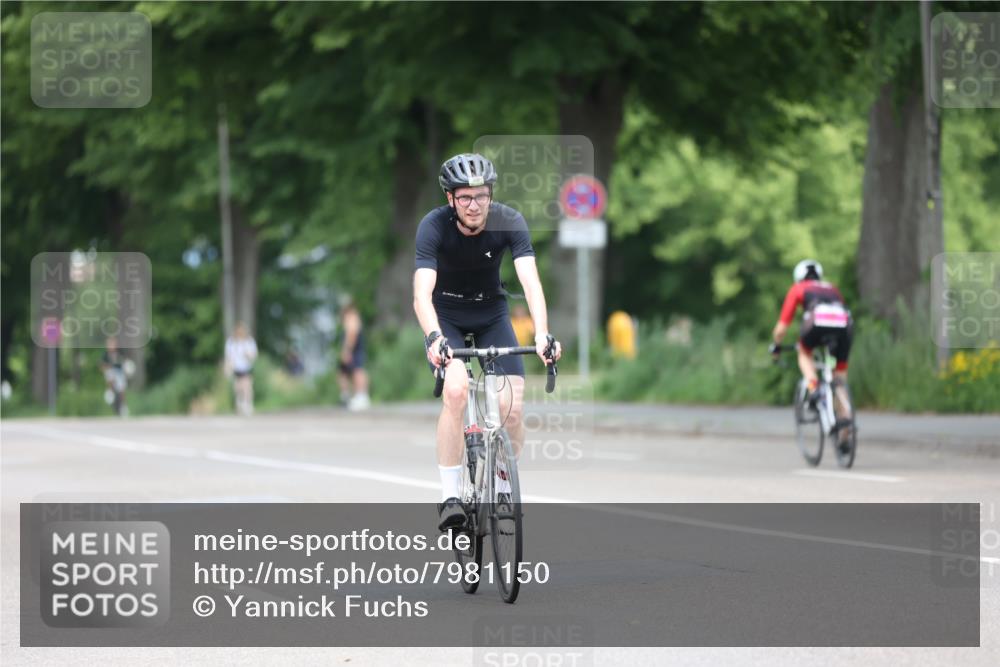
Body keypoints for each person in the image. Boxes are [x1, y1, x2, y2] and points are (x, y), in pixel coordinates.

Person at [413, 152, 562, 531]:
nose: (474, 205)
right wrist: (433, 337)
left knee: (511, 407)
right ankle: (450, 497)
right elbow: (421, 294)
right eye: (465, 197)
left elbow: (530, 281)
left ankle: (500, 483)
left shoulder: (509, 220)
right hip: (445, 316)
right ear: (451, 199)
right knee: (457, 391)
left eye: (481, 195)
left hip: (492, 314)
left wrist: (542, 332)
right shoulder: (433, 227)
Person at [770, 259, 853, 419]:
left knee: (804, 353)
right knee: (839, 375)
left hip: (817, 322)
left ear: (799, 277)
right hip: (845, 325)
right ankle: (846, 427)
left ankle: (814, 388)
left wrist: (776, 346)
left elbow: (781, 328)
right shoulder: (832, 288)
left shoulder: (798, 288)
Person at [337, 298, 370, 411]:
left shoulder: (352, 317)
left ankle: (362, 397)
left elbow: (352, 334)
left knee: (358, 370)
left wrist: (347, 350)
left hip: (354, 349)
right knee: (346, 372)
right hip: (351, 348)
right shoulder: (349, 317)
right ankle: (350, 396)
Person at [225, 322, 258, 416]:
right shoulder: (231, 342)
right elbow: (229, 356)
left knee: (247, 387)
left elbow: (253, 355)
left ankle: (248, 405)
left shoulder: (249, 341)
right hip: (236, 367)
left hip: (246, 367)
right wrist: (227, 368)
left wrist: (247, 354)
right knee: (237, 387)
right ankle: (239, 403)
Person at [101, 336, 128, 416]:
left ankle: (123, 407)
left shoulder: (120, 352)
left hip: (119, 373)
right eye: (109, 344)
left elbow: (124, 362)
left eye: (113, 344)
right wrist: (107, 368)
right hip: (110, 372)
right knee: (110, 374)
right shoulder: (105, 354)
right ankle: (110, 390)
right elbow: (102, 365)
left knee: (121, 389)